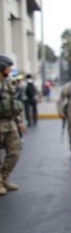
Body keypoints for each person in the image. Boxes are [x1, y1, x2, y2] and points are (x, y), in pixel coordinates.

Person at [0, 54, 26, 196]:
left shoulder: (8, 83)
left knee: (15, 151)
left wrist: (19, 121)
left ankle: (4, 178)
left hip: (10, 123)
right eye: (8, 67)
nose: (10, 70)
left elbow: (13, 104)